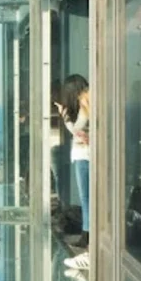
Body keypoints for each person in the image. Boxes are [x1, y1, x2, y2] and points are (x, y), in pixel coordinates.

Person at [56, 74, 90, 252]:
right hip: (88, 154)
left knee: (86, 197)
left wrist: (64, 115)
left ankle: (87, 234)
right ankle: (88, 233)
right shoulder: (91, 103)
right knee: (90, 197)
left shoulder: (86, 103)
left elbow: (76, 129)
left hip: (84, 156)